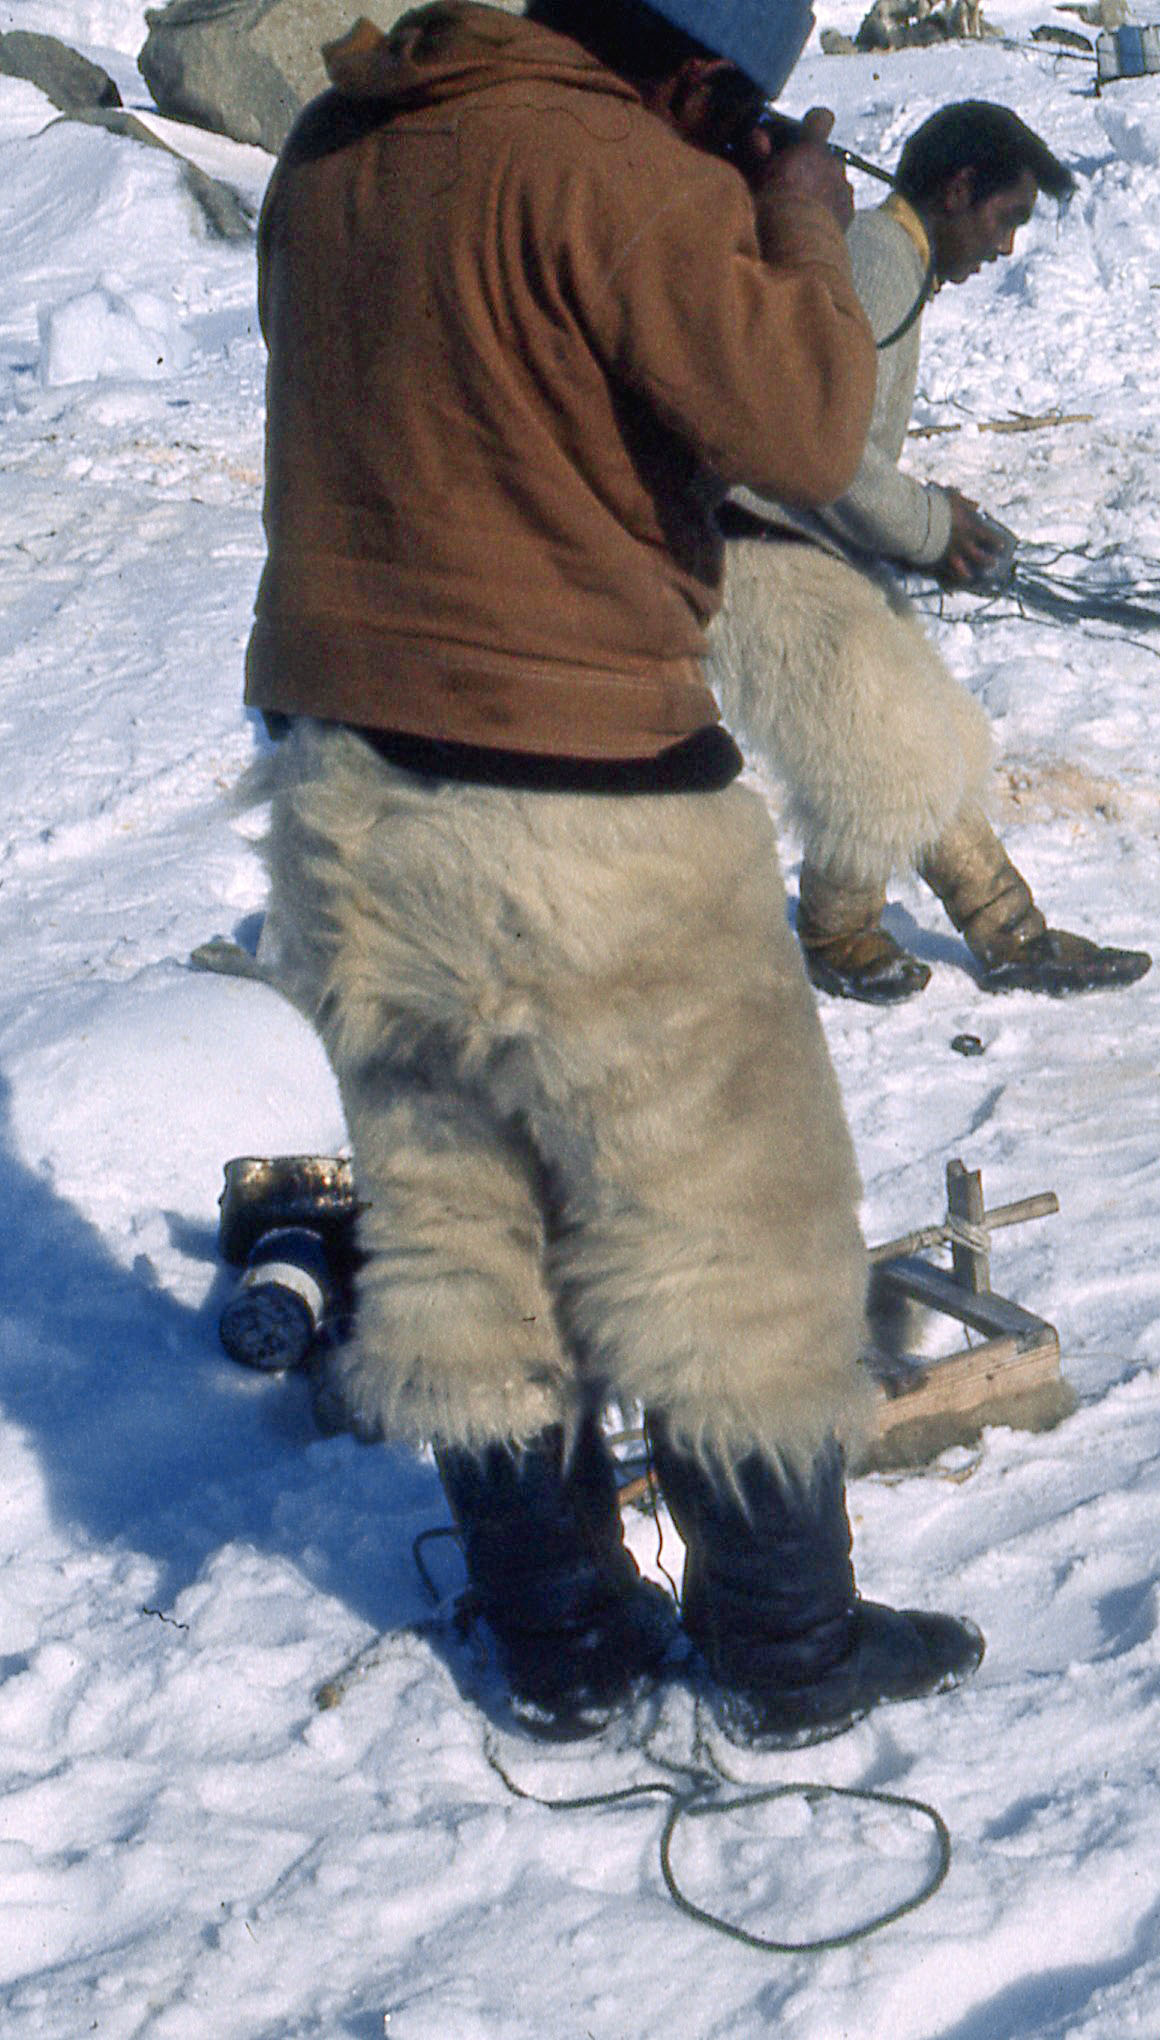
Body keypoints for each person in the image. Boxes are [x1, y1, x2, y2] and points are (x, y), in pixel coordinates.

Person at [248, 0, 981, 1746]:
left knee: (462, 1227)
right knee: (734, 1226)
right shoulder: (618, 170)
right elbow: (806, 434)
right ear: (697, 72)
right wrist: (794, 212)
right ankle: (782, 1647)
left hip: (345, 773)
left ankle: (562, 1635)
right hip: (580, 798)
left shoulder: (336, 142)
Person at [705, 99, 1153, 1004]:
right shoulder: (873, 258)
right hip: (756, 548)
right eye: (1006, 219)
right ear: (958, 190)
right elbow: (817, 450)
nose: (1006, 249)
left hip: (802, 543)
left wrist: (928, 525)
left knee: (924, 729)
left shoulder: (893, 260)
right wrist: (931, 529)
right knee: (881, 743)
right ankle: (846, 934)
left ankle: (1001, 928)